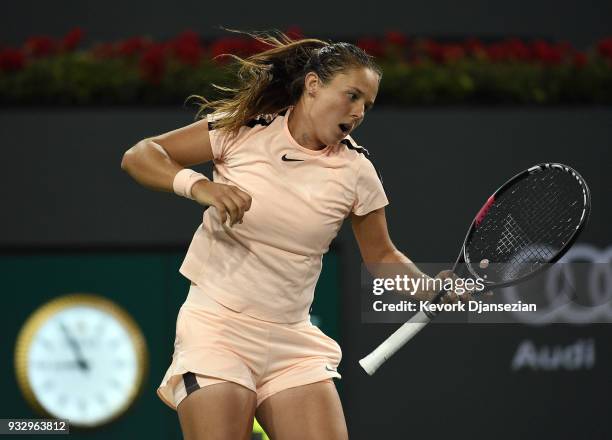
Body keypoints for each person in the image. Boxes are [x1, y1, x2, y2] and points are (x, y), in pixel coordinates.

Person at [121, 30, 467, 440]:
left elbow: (383, 257)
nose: (357, 113)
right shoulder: (244, 130)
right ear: (314, 85)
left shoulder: (357, 171)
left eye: (367, 105)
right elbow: (140, 155)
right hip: (217, 328)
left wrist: (428, 289)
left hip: (292, 341)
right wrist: (199, 186)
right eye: (351, 95)